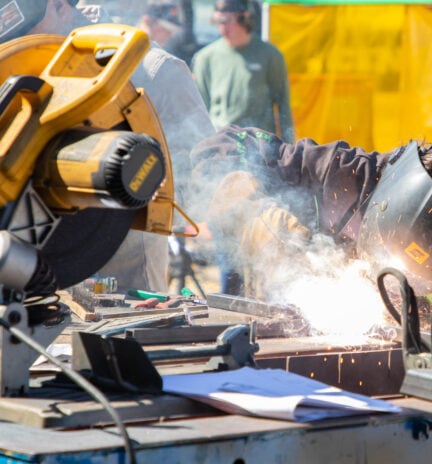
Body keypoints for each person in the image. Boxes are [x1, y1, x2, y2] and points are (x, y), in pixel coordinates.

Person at [190, 124, 432, 340]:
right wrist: (254, 210)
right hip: (278, 328)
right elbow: (225, 142)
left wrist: (408, 324)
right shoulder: (347, 175)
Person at [0, 0, 215, 293]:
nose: (18, 41)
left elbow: (202, 181)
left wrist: (127, 185)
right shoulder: (17, 57)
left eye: (27, 28)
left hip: (121, 280)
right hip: (23, 271)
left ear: (60, 5)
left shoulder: (152, 72)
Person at [191, 0, 294, 143]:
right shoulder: (204, 58)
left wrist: (288, 149)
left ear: (244, 18)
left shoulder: (270, 55)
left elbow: (283, 106)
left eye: (227, 21)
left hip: (259, 146)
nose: (222, 27)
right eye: (218, 21)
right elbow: (200, 111)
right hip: (221, 145)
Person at [137, 0, 199, 66]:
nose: (170, 35)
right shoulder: (133, 53)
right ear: (147, 21)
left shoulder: (160, 51)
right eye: (165, 29)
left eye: (171, 31)